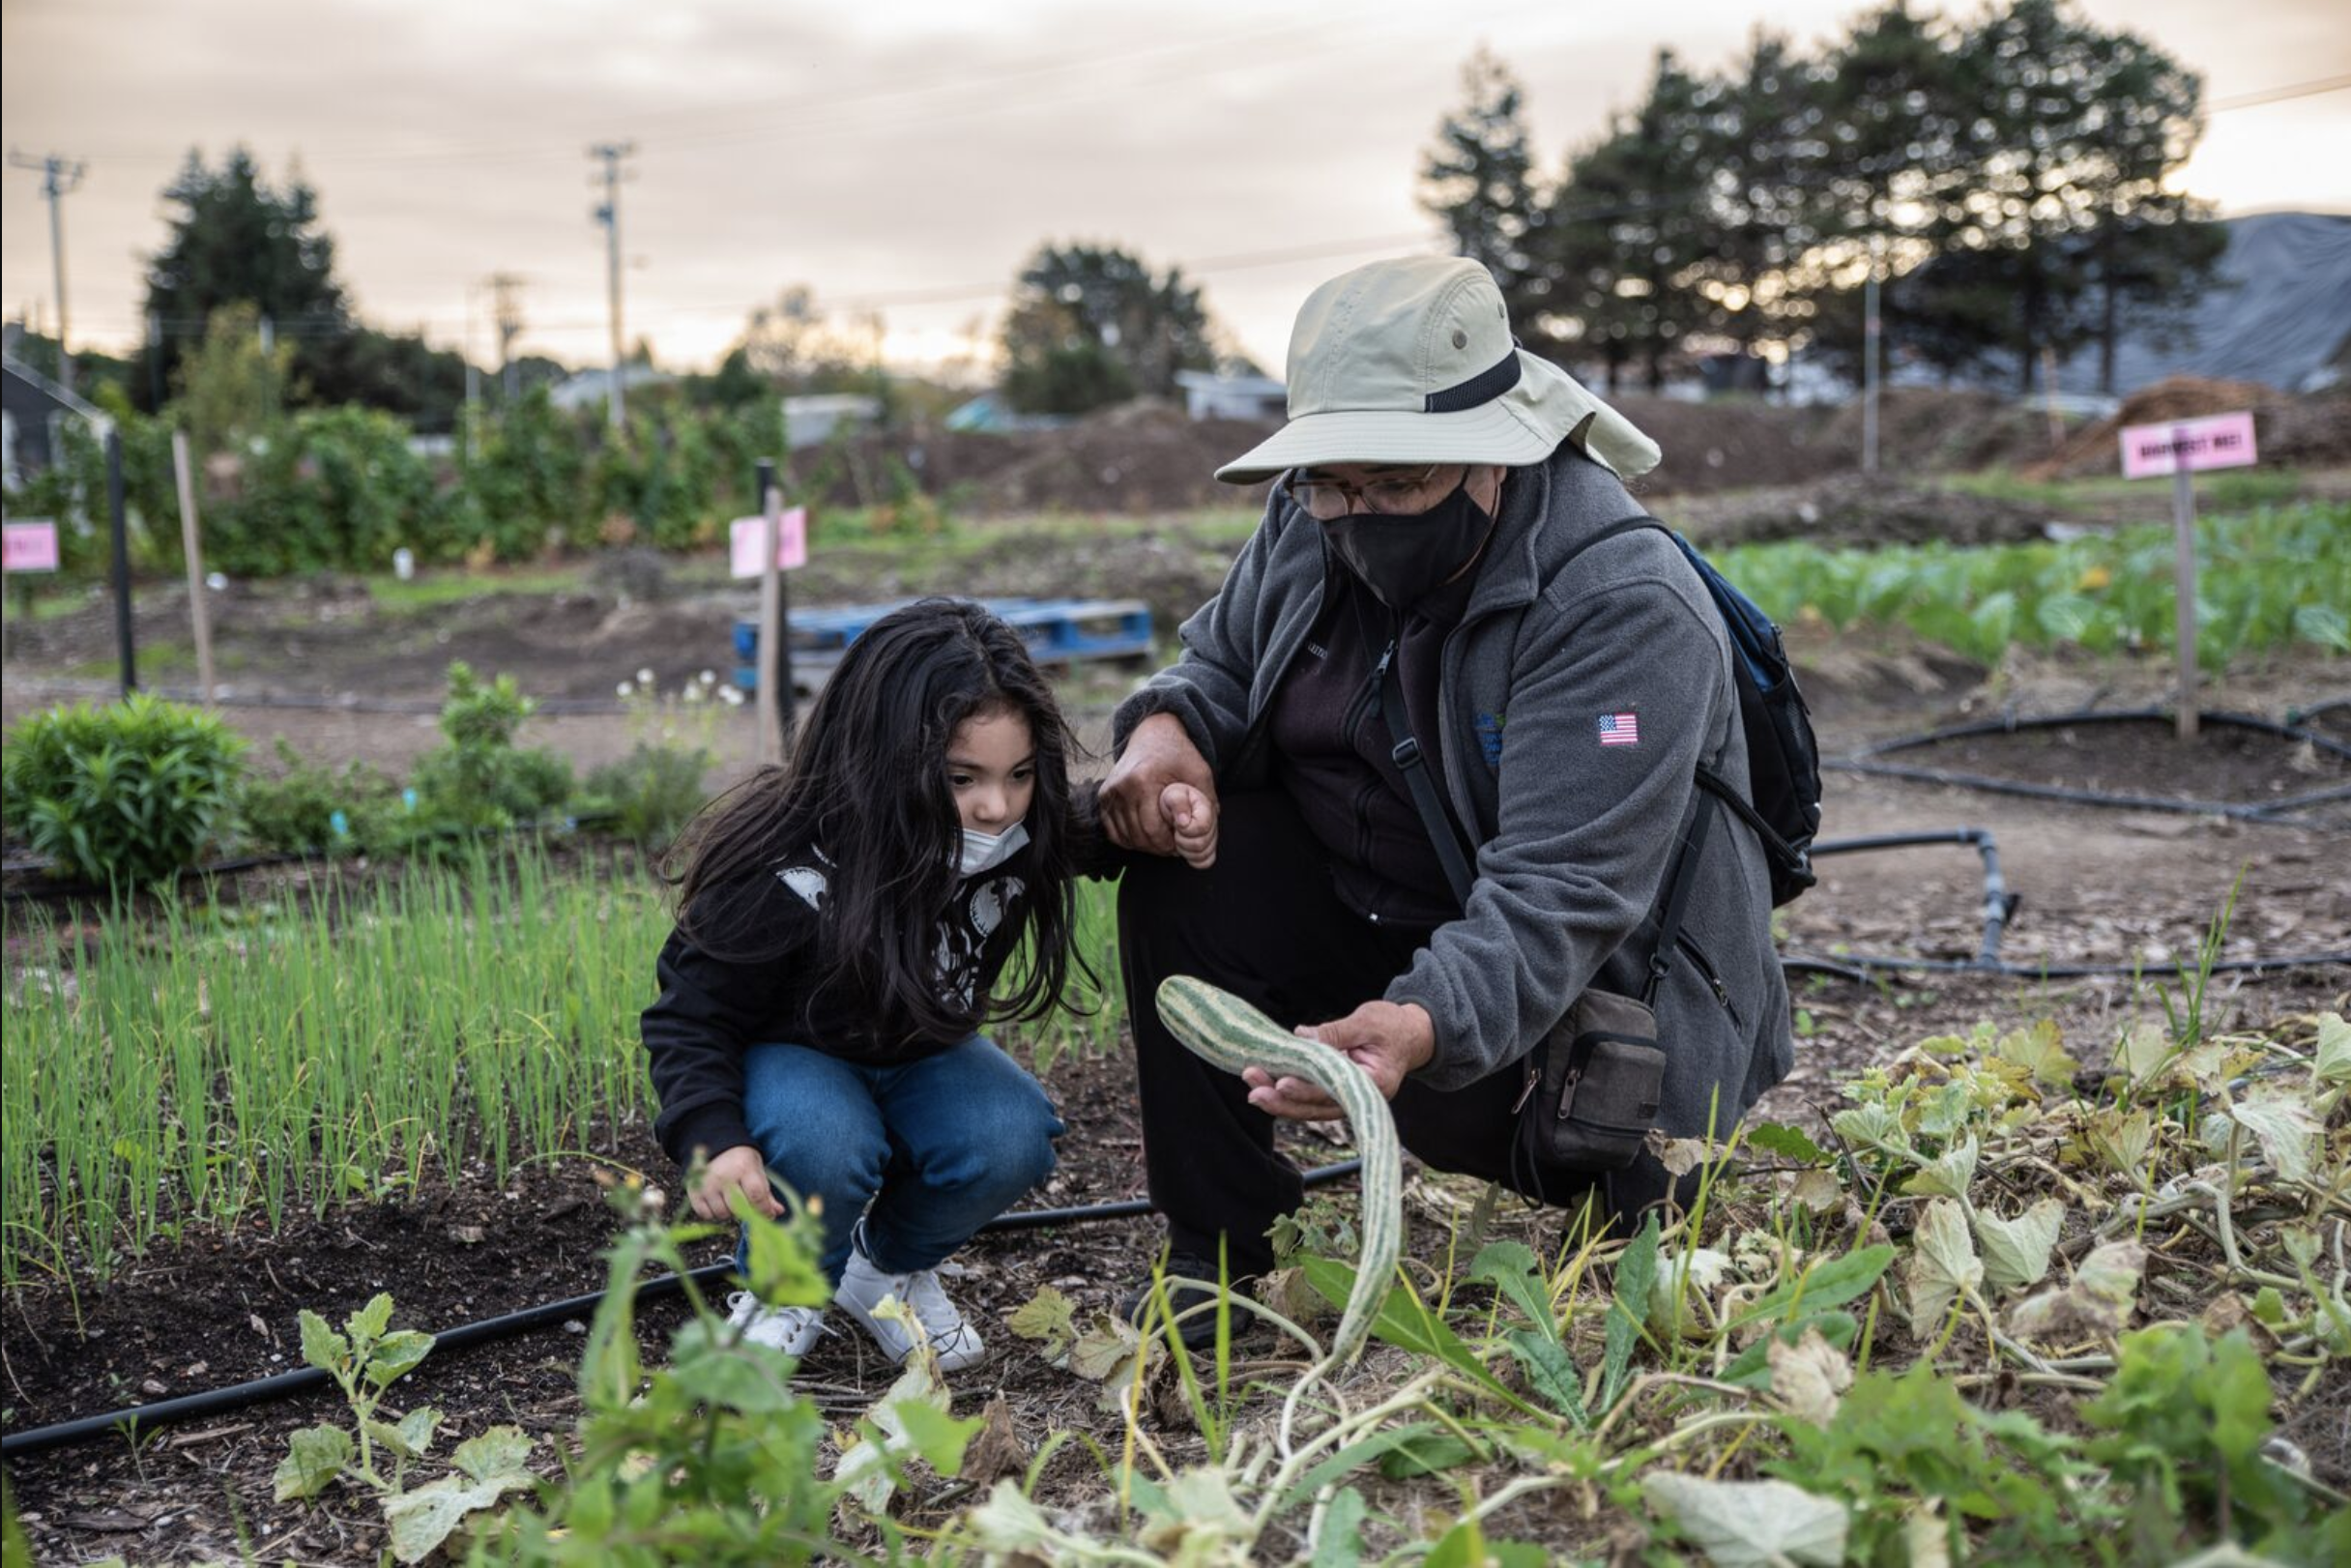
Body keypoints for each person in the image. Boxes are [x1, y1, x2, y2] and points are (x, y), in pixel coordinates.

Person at [1099, 256, 1793, 1329]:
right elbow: (1219, 665)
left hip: (1572, 995)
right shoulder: (1313, 512)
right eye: (1335, 485)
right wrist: (1161, 733)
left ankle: (1618, 1171)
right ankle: (1220, 1255)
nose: (1359, 512)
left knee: (1632, 1202)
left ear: (1492, 457)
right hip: (1375, 914)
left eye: (1396, 485)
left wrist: (1416, 1023)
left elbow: (1559, 889)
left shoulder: (1617, 599)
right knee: (1183, 878)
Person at [642, 598, 1215, 1370]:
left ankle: (883, 1271)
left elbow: (1096, 823)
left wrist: (1161, 808)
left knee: (1012, 1135)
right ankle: (783, 1291)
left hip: (919, 1050)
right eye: (960, 778)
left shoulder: (1015, 832)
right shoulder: (784, 868)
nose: (995, 805)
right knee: (828, 1142)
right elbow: (690, 1015)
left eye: (1018, 776)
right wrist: (716, 1141)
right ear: (879, 763)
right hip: (793, 1054)